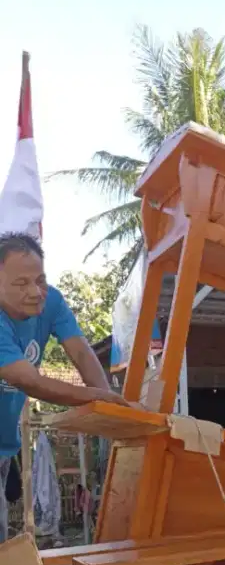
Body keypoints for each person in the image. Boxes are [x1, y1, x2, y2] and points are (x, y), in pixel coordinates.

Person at [0, 231, 130, 543]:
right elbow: (29, 381)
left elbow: (82, 353)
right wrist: (99, 398)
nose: (35, 291)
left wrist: (112, 410)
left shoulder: (52, 301)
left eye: (40, 280)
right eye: (21, 283)